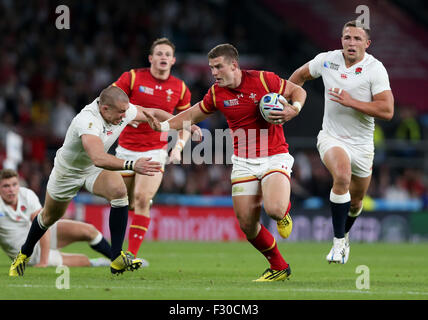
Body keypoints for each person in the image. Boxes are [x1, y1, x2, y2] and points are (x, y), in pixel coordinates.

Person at [144, 43, 307, 281]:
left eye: (218, 67)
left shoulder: (263, 80)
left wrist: (295, 109)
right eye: (211, 68)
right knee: (247, 225)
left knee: (274, 209)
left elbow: (298, 91)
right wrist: (163, 126)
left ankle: (284, 213)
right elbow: (192, 114)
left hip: (274, 156)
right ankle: (279, 266)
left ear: (234, 65)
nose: (214, 72)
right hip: (243, 162)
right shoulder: (216, 94)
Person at [8, 85, 187, 276]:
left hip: (92, 169)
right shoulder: (87, 121)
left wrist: (184, 124)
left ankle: (116, 257)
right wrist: (133, 164)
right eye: (121, 113)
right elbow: (98, 158)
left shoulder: (120, 110)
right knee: (48, 217)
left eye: (126, 111)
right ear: (104, 109)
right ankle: (24, 253)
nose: (125, 116)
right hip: (68, 173)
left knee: (119, 192)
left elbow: (153, 113)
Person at [288, 20, 394, 264]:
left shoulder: (375, 69)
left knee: (356, 202)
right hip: (332, 137)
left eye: (357, 39)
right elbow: (300, 76)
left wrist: (351, 102)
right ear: (341, 40)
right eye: (347, 37)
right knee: (342, 176)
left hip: (363, 146)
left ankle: (344, 237)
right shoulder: (327, 60)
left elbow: (387, 110)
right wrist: (289, 103)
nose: (351, 43)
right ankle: (337, 245)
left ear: (367, 44)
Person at [112, 38, 192, 259]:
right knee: (123, 202)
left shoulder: (180, 88)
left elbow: (184, 122)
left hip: (155, 151)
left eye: (167, 54)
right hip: (125, 150)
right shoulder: (133, 77)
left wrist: (178, 148)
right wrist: (128, 113)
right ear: (150, 58)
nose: (163, 57)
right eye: (159, 53)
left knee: (141, 198)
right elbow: (109, 98)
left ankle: (130, 255)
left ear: (173, 60)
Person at [0, 169, 112, 268]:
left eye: (14, 184)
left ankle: (117, 259)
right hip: (30, 255)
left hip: (39, 234)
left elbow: (42, 224)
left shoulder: (26, 195)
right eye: (6, 186)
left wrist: (44, 262)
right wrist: (42, 261)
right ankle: (97, 263)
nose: (11, 189)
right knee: (83, 260)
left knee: (89, 230)